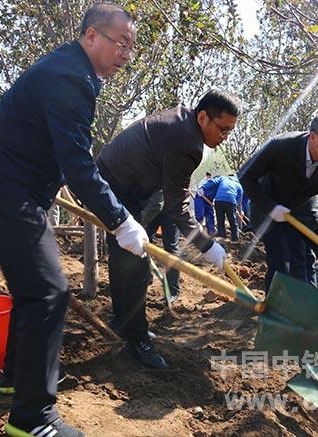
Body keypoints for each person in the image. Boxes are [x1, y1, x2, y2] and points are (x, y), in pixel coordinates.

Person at [0, 5, 143, 436]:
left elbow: (59, 153)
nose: (126, 53)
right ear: (90, 36)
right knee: (49, 291)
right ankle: (33, 419)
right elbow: (79, 163)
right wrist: (120, 220)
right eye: (121, 43)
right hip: (8, 191)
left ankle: (17, 376)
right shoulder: (70, 78)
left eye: (132, 48)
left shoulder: (74, 73)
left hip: (13, 188)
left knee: (34, 290)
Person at [96, 89, 241, 369]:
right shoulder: (188, 143)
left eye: (230, 131)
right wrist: (207, 245)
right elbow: (177, 207)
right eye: (222, 129)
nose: (225, 138)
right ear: (203, 117)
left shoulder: (184, 122)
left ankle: (122, 321)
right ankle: (138, 341)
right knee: (136, 261)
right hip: (115, 185)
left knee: (126, 254)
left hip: (125, 183)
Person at [239, 110, 318, 300]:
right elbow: (245, 175)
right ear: (313, 138)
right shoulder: (281, 146)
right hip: (270, 207)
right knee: (281, 265)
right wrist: (271, 207)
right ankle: (274, 314)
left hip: (304, 208)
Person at [141, 190, 181, 300]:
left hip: (170, 208)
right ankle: (146, 276)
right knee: (143, 241)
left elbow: (158, 201)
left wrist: (140, 222)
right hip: (152, 207)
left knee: (171, 248)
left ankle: (173, 290)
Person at [201, 174, 243, 241]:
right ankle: (235, 238)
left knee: (220, 220)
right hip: (231, 201)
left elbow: (213, 181)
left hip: (219, 200)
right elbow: (238, 201)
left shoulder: (223, 178)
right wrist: (235, 207)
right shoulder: (239, 185)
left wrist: (202, 187)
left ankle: (222, 236)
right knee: (232, 221)